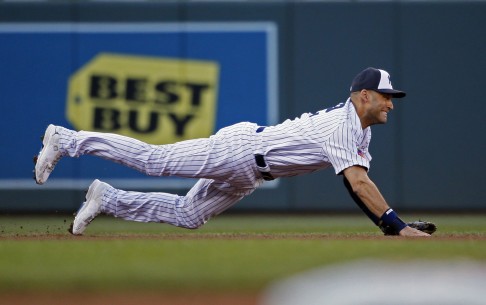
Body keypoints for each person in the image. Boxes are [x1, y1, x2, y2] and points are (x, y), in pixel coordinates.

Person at [34, 67, 430, 237]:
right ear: (364, 96)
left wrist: (391, 225)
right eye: (385, 96)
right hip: (240, 150)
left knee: (188, 215)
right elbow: (358, 184)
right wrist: (398, 227)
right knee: (154, 160)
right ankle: (66, 140)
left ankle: (108, 199)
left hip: (252, 172)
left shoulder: (360, 130)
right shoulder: (344, 125)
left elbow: (358, 187)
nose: (390, 104)